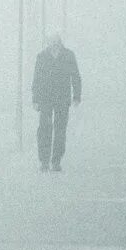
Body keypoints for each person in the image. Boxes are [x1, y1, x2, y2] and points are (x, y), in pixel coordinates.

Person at [31, 31, 82, 172]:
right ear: (48, 43)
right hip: (45, 99)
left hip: (62, 98)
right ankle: (44, 160)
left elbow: (75, 76)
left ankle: (56, 160)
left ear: (60, 41)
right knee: (44, 129)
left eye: (56, 41)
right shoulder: (41, 57)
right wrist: (35, 99)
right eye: (51, 41)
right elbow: (37, 79)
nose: (54, 44)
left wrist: (77, 96)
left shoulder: (68, 55)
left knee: (60, 130)